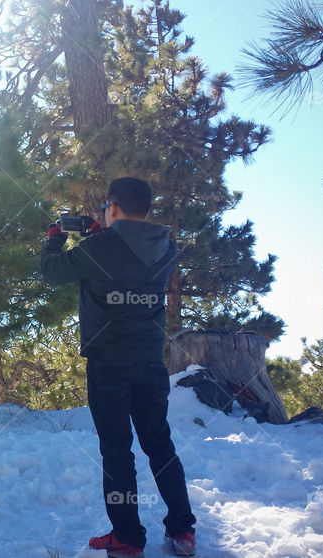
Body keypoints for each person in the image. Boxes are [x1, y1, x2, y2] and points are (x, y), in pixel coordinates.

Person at [40, 177, 197, 557]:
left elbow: (51, 270)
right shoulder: (167, 248)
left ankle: (127, 537)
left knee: (117, 450)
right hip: (149, 362)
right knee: (160, 445)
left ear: (112, 207)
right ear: (146, 210)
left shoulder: (100, 247)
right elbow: (130, 255)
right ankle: (183, 530)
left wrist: (56, 235)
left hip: (109, 364)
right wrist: (102, 232)